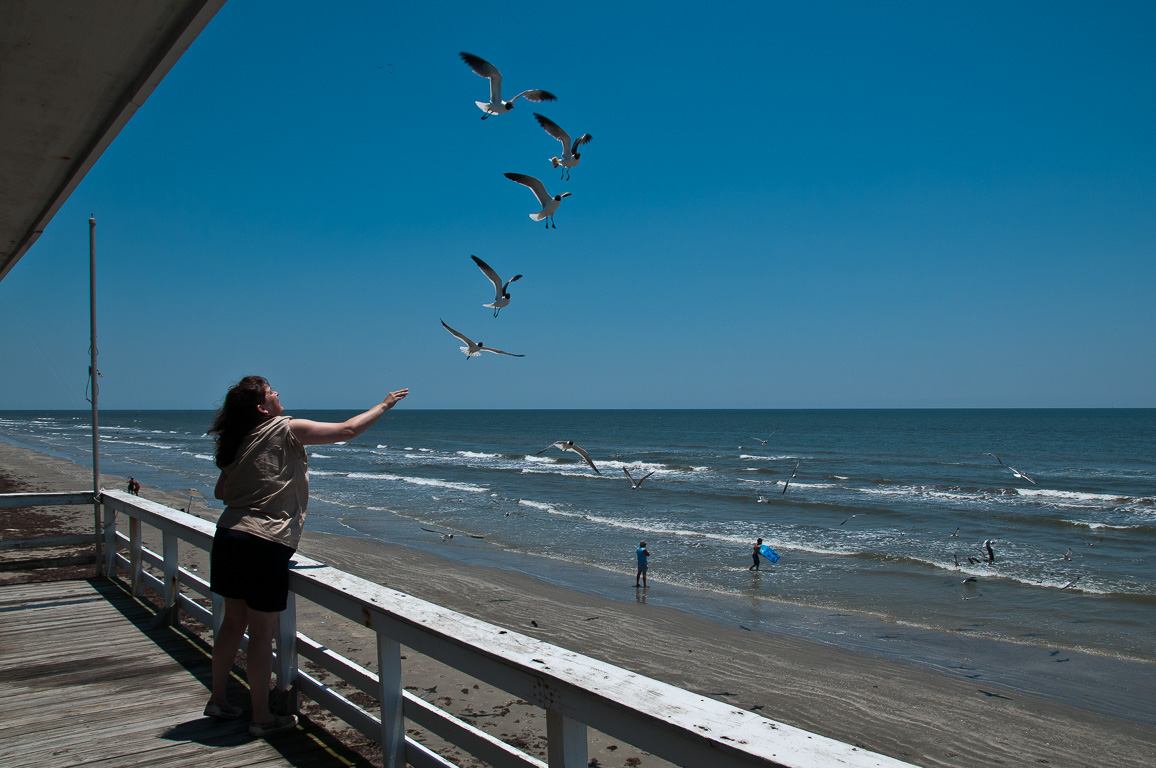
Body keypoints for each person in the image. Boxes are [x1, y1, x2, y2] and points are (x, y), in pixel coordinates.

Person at [203, 375, 408, 738]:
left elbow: (222, 492)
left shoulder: (236, 439)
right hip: (263, 541)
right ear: (262, 407)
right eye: (271, 392)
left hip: (228, 536)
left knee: (232, 623)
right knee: (262, 634)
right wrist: (385, 404)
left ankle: (218, 698)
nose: (279, 393)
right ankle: (261, 716)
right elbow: (346, 430)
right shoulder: (284, 428)